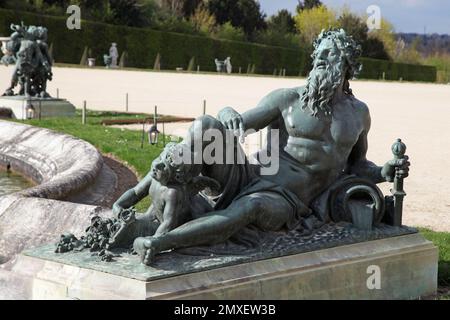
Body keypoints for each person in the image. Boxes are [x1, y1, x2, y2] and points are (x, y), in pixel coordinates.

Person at [111, 29, 410, 265]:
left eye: (328, 55)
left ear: (345, 64)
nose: (319, 60)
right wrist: (227, 112)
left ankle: (160, 242)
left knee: (251, 206)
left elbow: (357, 165)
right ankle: (157, 208)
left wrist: (383, 171)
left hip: (288, 199)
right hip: (251, 175)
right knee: (205, 125)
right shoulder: (287, 100)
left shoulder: (359, 114)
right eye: (317, 54)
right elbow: (240, 121)